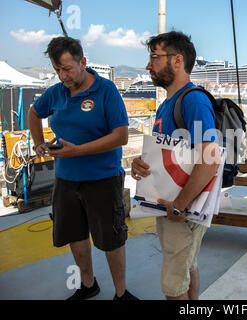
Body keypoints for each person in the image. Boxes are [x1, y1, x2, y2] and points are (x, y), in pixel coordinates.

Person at [28, 36, 137, 300]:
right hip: (65, 180)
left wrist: (77, 151)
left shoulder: (106, 90)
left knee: (111, 239)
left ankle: (121, 293)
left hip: (102, 178)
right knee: (75, 235)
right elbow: (34, 112)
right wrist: (39, 143)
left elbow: (120, 136)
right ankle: (88, 284)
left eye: (67, 69)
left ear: (83, 62)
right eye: (57, 70)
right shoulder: (56, 92)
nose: (62, 75)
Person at [131, 31, 220, 300]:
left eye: (154, 58)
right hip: (173, 206)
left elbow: (210, 159)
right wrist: (141, 163)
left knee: (173, 284)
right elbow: (169, 154)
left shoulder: (193, 100)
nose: (148, 66)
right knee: (186, 267)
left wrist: (180, 205)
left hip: (181, 209)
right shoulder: (167, 105)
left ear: (177, 60)